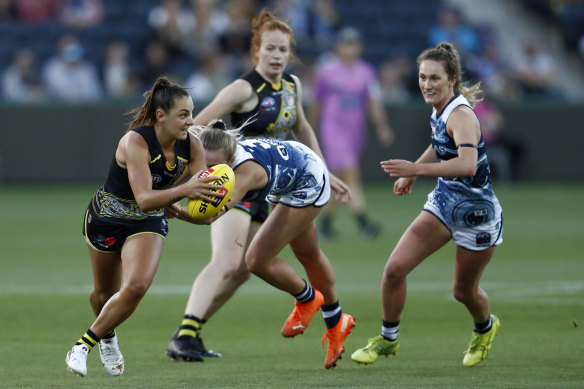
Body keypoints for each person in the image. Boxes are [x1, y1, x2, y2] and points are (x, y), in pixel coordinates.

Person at [165, 9, 350, 363]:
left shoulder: (293, 86)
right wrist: (188, 168)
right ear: (257, 51)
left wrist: (325, 169)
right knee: (229, 261)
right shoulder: (243, 88)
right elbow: (196, 126)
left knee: (247, 268)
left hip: (277, 184)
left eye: (284, 49)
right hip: (239, 180)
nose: (278, 55)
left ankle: (189, 333)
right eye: (271, 48)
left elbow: (303, 129)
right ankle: (185, 334)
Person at [351, 42, 503, 368]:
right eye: (422, 77)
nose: (426, 84)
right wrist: (413, 174)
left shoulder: (462, 115)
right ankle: (388, 340)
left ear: (452, 80)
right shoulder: (439, 110)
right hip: (445, 202)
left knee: (463, 292)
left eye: (434, 78)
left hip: (477, 214)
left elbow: (467, 165)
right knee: (394, 270)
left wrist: (415, 169)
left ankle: (485, 328)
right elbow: (439, 145)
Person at [64, 77, 227, 378]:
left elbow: (196, 200)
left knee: (136, 285)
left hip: (148, 221)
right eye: (183, 114)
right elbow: (144, 198)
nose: (191, 121)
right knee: (103, 295)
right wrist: (184, 192)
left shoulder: (192, 145)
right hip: (108, 217)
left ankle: (83, 345)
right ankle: (108, 335)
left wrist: (212, 209)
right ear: (161, 116)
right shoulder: (135, 142)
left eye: (192, 113)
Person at [191, 120, 355, 369]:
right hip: (289, 175)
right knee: (308, 255)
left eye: (216, 166)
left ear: (232, 158)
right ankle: (336, 325)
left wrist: (175, 210)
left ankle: (307, 299)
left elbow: (212, 215)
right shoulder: (221, 152)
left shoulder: (246, 172)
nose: (210, 171)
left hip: (307, 180)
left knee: (256, 260)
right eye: (206, 165)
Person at [309, 26, 394, 240]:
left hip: (355, 131)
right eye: (346, 44)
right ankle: (364, 223)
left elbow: (373, 101)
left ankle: (325, 224)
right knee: (350, 172)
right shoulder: (327, 72)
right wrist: (309, 130)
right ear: (338, 46)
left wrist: (382, 125)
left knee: (338, 176)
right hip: (333, 129)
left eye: (354, 44)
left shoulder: (366, 73)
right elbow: (316, 104)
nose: (350, 49)